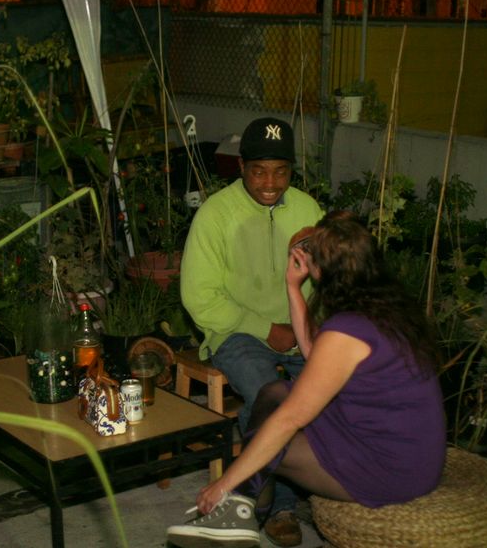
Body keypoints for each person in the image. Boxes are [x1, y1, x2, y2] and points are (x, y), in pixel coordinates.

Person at [168, 210, 447, 548]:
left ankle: (240, 505)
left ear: (321, 270)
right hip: (405, 450)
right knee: (273, 393)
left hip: (389, 470)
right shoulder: (386, 308)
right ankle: (245, 508)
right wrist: (293, 286)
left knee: (272, 441)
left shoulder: (346, 331)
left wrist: (223, 483)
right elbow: (316, 355)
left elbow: (291, 419)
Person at [179, 116, 324, 546]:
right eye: (259, 171)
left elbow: (328, 279)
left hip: (298, 329)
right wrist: (264, 328)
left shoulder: (308, 210)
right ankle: (275, 505)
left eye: (280, 171)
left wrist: (310, 324)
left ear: (292, 171)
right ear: (241, 166)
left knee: (329, 388)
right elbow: (199, 298)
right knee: (268, 394)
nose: (270, 183)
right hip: (235, 331)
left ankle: (327, 485)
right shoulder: (215, 214)